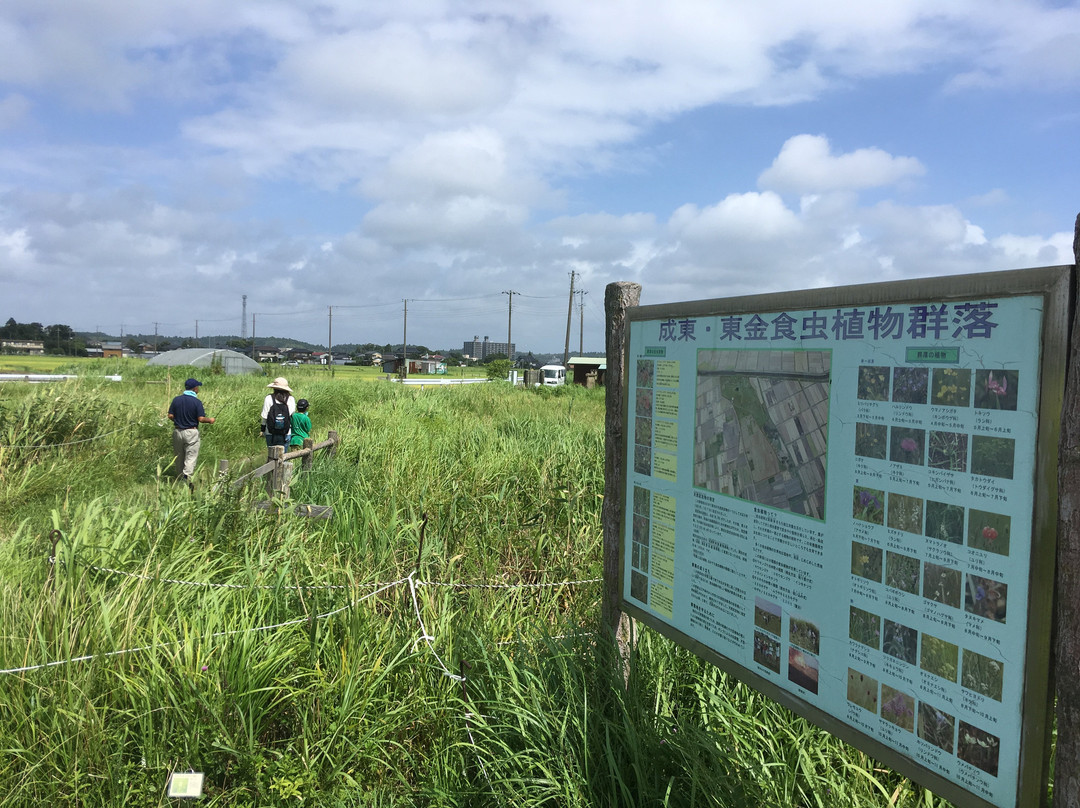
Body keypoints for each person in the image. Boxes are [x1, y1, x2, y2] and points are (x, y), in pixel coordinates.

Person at [167, 377, 215, 485]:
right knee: (191, 456)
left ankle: (179, 478)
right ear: (194, 389)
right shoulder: (196, 402)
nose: (198, 389)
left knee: (179, 456)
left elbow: (170, 415)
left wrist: (179, 420)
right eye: (197, 387)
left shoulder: (176, 400)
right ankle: (187, 478)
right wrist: (210, 420)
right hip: (191, 432)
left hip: (177, 431)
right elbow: (201, 419)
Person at [261, 377, 296, 451]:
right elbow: (291, 415)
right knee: (283, 456)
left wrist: (262, 429)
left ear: (274, 388)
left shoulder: (268, 398)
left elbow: (264, 416)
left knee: (272, 455)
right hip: (286, 432)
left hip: (270, 432)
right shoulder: (291, 399)